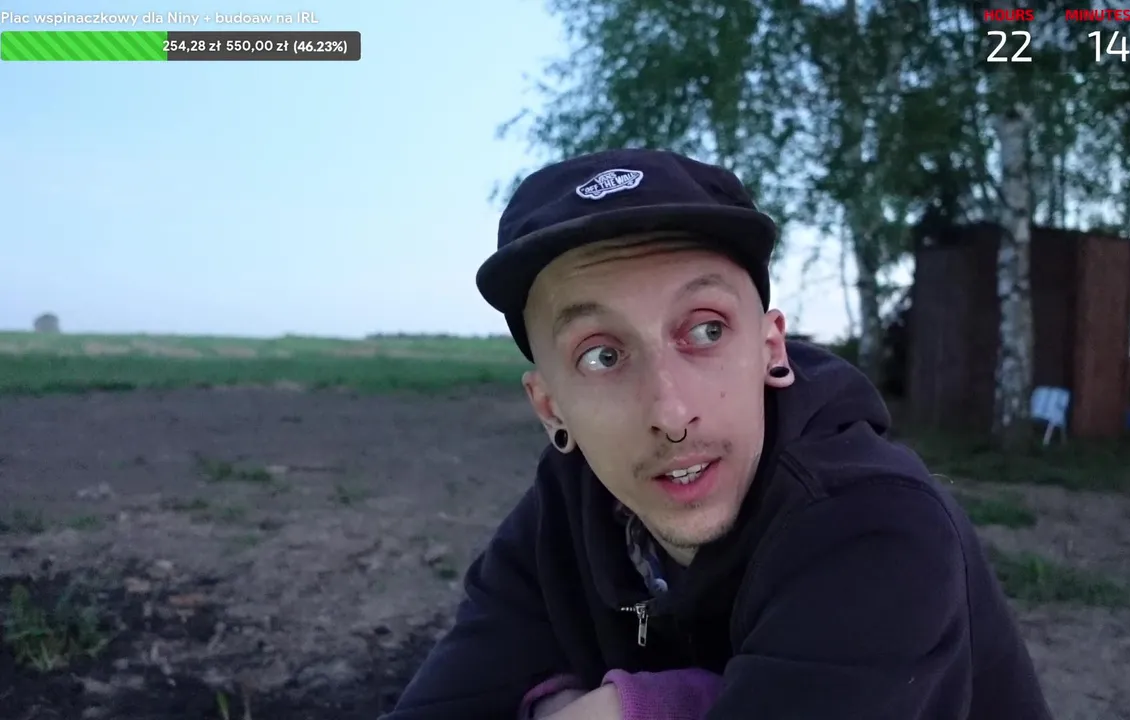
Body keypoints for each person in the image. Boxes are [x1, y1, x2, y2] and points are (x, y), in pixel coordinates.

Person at [380, 149, 1053, 719]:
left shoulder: (877, 526)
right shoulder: (560, 517)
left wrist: (632, 710)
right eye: (602, 355)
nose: (672, 414)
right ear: (551, 407)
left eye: (706, 329)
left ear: (770, 348)